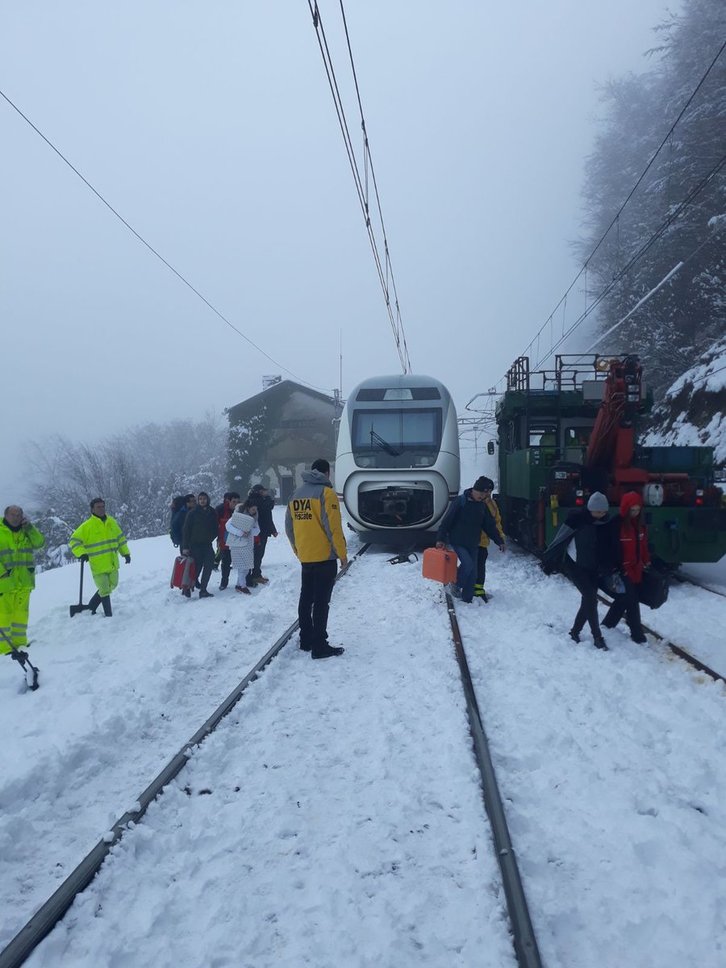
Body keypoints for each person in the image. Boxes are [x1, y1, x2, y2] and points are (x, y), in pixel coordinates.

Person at [285, 458, 347, 659]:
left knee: (306, 599)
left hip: (306, 557)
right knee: (321, 602)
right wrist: (342, 554)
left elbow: (289, 526)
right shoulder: (327, 494)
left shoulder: (296, 494)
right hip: (324, 557)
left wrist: (298, 550)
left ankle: (306, 640)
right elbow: (334, 528)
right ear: (327, 473)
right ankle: (320, 645)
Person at [541, 491, 619, 650]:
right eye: (597, 511)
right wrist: (549, 560)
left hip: (594, 568)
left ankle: (575, 632)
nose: (600, 514)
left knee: (588, 600)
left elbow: (610, 547)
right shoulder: (577, 520)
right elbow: (560, 539)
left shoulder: (607, 523)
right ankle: (597, 636)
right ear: (590, 509)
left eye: (603, 511)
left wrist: (610, 566)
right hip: (575, 566)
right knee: (591, 597)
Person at [436, 477, 505, 603]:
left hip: (473, 542)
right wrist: (441, 538)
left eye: (486, 493)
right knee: (468, 564)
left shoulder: (482, 506)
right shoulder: (460, 501)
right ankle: (455, 584)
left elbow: (489, 525)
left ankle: (467, 599)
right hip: (458, 541)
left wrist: (499, 540)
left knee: (473, 574)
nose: (484, 496)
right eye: (482, 493)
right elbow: (447, 521)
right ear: (475, 489)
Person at [602, 491, 650, 643]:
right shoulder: (616, 525)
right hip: (622, 569)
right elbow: (611, 547)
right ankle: (637, 633)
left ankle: (608, 623)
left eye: (637, 510)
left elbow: (642, 545)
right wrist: (615, 566)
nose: (635, 513)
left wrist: (646, 560)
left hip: (636, 568)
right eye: (632, 510)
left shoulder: (640, 526)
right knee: (632, 600)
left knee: (625, 598)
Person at [70, 498, 130, 617]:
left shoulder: (111, 522)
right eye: (98, 507)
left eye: (103, 506)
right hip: (97, 565)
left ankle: (92, 605)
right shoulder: (87, 526)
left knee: (113, 584)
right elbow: (74, 541)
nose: (101, 509)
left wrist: (126, 553)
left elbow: (120, 539)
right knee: (104, 588)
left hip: (112, 562)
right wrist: (81, 553)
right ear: (92, 509)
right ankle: (108, 614)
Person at [0, 505, 45, 658]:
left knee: (21, 616)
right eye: (13, 514)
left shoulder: (26, 531)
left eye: (19, 514)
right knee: (4, 616)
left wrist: (30, 528)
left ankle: (20, 643)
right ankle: (5, 649)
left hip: (24, 582)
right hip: (4, 583)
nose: (16, 517)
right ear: (5, 515)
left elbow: (39, 543)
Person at [473, 477, 505, 601]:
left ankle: (479, 591)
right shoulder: (475, 502)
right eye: (486, 491)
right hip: (473, 541)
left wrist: (500, 537)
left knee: (480, 567)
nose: (488, 494)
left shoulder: (492, 504)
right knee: (471, 566)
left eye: (490, 492)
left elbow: (496, 522)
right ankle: (457, 582)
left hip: (483, 542)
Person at [182, 491, 218, 598]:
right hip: (195, 545)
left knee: (208, 566)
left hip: (207, 545)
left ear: (207, 500)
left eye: (204, 499)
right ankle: (187, 587)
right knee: (196, 568)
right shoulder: (192, 513)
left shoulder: (212, 512)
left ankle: (203, 589)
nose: (202, 501)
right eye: (200, 499)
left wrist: (211, 537)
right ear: (198, 501)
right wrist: (185, 547)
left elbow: (215, 527)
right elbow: (186, 530)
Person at [225, 498, 260, 594]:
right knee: (242, 566)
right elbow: (228, 525)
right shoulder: (238, 515)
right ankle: (243, 586)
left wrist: (249, 532)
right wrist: (239, 532)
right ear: (248, 508)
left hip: (248, 544)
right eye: (253, 509)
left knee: (247, 567)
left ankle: (238, 584)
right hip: (237, 544)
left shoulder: (254, 517)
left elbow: (257, 531)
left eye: (256, 509)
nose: (255, 511)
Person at [248, 484, 278, 585]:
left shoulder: (256, 500)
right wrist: (269, 499)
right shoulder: (259, 501)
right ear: (260, 492)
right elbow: (267, 513)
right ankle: (255, 575)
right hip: (259, 531)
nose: (266, 492)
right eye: (264, 491)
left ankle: (255, 574)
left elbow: (268, 516)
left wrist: (273, 529)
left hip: (260, 530)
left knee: (258, 554)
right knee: (258, 554)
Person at [215, 492, 240, 590]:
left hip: (239, 541)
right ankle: (224, 582)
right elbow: (215, 525)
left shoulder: (241, 509)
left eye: (238, 502)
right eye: (234, 502)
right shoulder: (220, 509)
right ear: (228, 501)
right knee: (226, 562)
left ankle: (243, 582)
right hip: (225, 541)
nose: (236, 504)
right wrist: (217, 539)